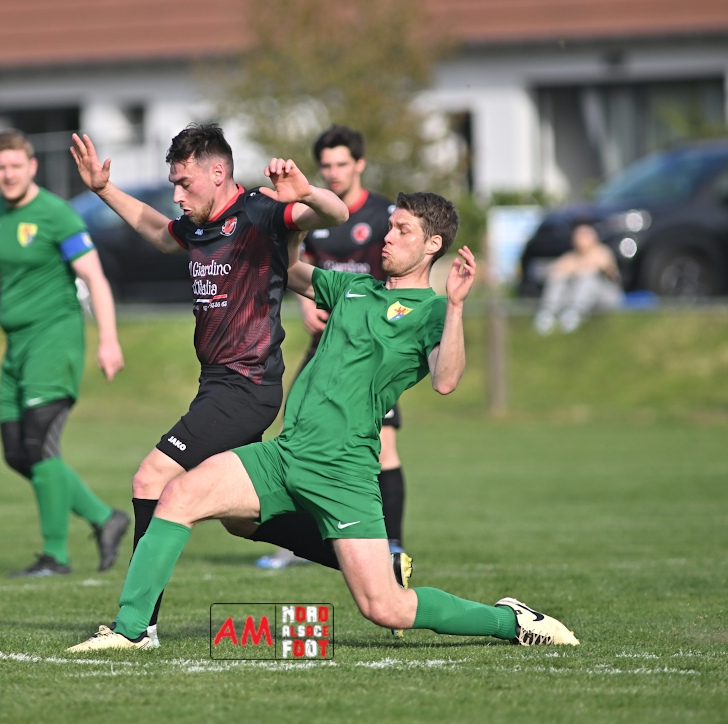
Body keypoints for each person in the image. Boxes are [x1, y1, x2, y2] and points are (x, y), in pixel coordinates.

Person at [67, 191, 580, 652]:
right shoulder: (353, 288)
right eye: (390, 226)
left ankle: (509, 621)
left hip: (344, 471)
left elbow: (446, 380)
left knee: (386, 608)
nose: (387, 236)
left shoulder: (431, 312)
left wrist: (457, 309)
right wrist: (291, 216)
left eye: (402, 230)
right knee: (179, 495)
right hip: (286, 453)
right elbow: (289, 270)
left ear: (432, 245)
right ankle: (132, 631)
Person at [69, 124, 349, 646]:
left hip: (247, 385)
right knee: (241, 518)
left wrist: (307, 192)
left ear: (218, 173)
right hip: (217, 385)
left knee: (151, 478)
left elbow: (336, 214)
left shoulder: (262, 212)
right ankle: (368, 559)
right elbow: (158, 232)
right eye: (173, 184)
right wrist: (104, 189)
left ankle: (138, 628)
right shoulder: (197, 226)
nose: (177, 195)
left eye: (184, 183)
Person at [0, 129, 130, 578]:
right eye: (0, 167)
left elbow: (95, 278)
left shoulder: (56, 214)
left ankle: (55, 556)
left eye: (16, 165)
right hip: (16, 349)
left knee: (39, 443)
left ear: (32, 167)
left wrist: (108, 339)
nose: (8, 174)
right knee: (17, 453)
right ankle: (104, 517)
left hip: (54, 342)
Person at [253, 125, 412, 572]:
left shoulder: (384, 216)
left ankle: (392, 546)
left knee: (384, 445)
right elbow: (298, 268)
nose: (334, 172)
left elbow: (399, 278)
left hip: (372, 349)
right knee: (298, 434)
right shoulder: (314, 215)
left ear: (359, 164)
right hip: (325, 344)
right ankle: (296, 543)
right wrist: (306, 306)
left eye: (342, 164)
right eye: (326, 166)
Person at [533, 222, 622, 334]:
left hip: (607, 298)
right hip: (574, 296)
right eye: (578, 235)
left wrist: (576, 268)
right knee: (557, 277)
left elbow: (608, 271)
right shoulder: (570, 256)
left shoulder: (602, 252)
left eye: (585, 235)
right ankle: (547, 314)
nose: (580, 238)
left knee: (587, 277)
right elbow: (552, 270)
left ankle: (574, 314)